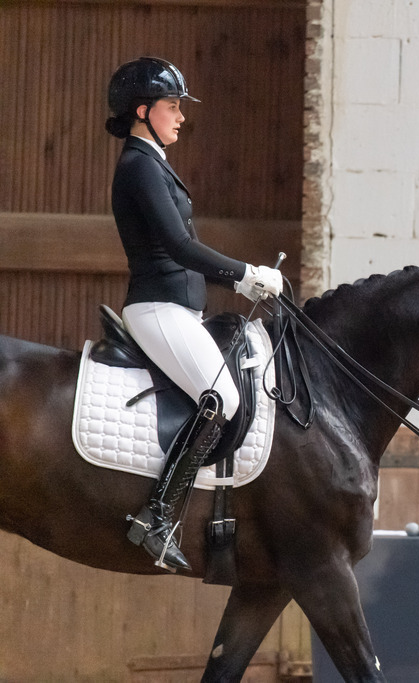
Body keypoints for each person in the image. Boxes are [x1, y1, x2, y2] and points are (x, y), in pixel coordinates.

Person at [105, 57, 283, 572]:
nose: (181, 116)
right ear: (143, 111)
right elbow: (180, 247)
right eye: (172, 106)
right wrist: (244, 274)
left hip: (179, 308)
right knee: (220, 398)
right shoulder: (139, 165)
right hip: (157, 307)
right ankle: (157, 515)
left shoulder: (153, 162)